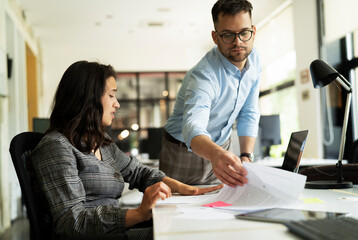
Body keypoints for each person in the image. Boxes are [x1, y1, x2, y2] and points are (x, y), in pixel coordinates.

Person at [30, 61, 222, 240]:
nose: (117, 104)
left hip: (115, 231)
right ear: (88, 99)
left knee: (190, 227)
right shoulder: (56, 146)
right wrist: (138, 214)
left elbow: (139, 173)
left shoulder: (102, 145)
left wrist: (185, 188)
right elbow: (72, 222)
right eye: (111, 95)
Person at [159, 0, 261, 187]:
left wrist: (246, 155)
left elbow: (249, 111)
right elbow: (192, 126)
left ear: (253, 32)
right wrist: (215, 154)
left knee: (221, 206)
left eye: (244, 33)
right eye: (228, 35)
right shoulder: (204, 75)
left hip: (222, 147)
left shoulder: (254, 60)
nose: (238, 42)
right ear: (215, 37)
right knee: (178, 210)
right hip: (182, 151)